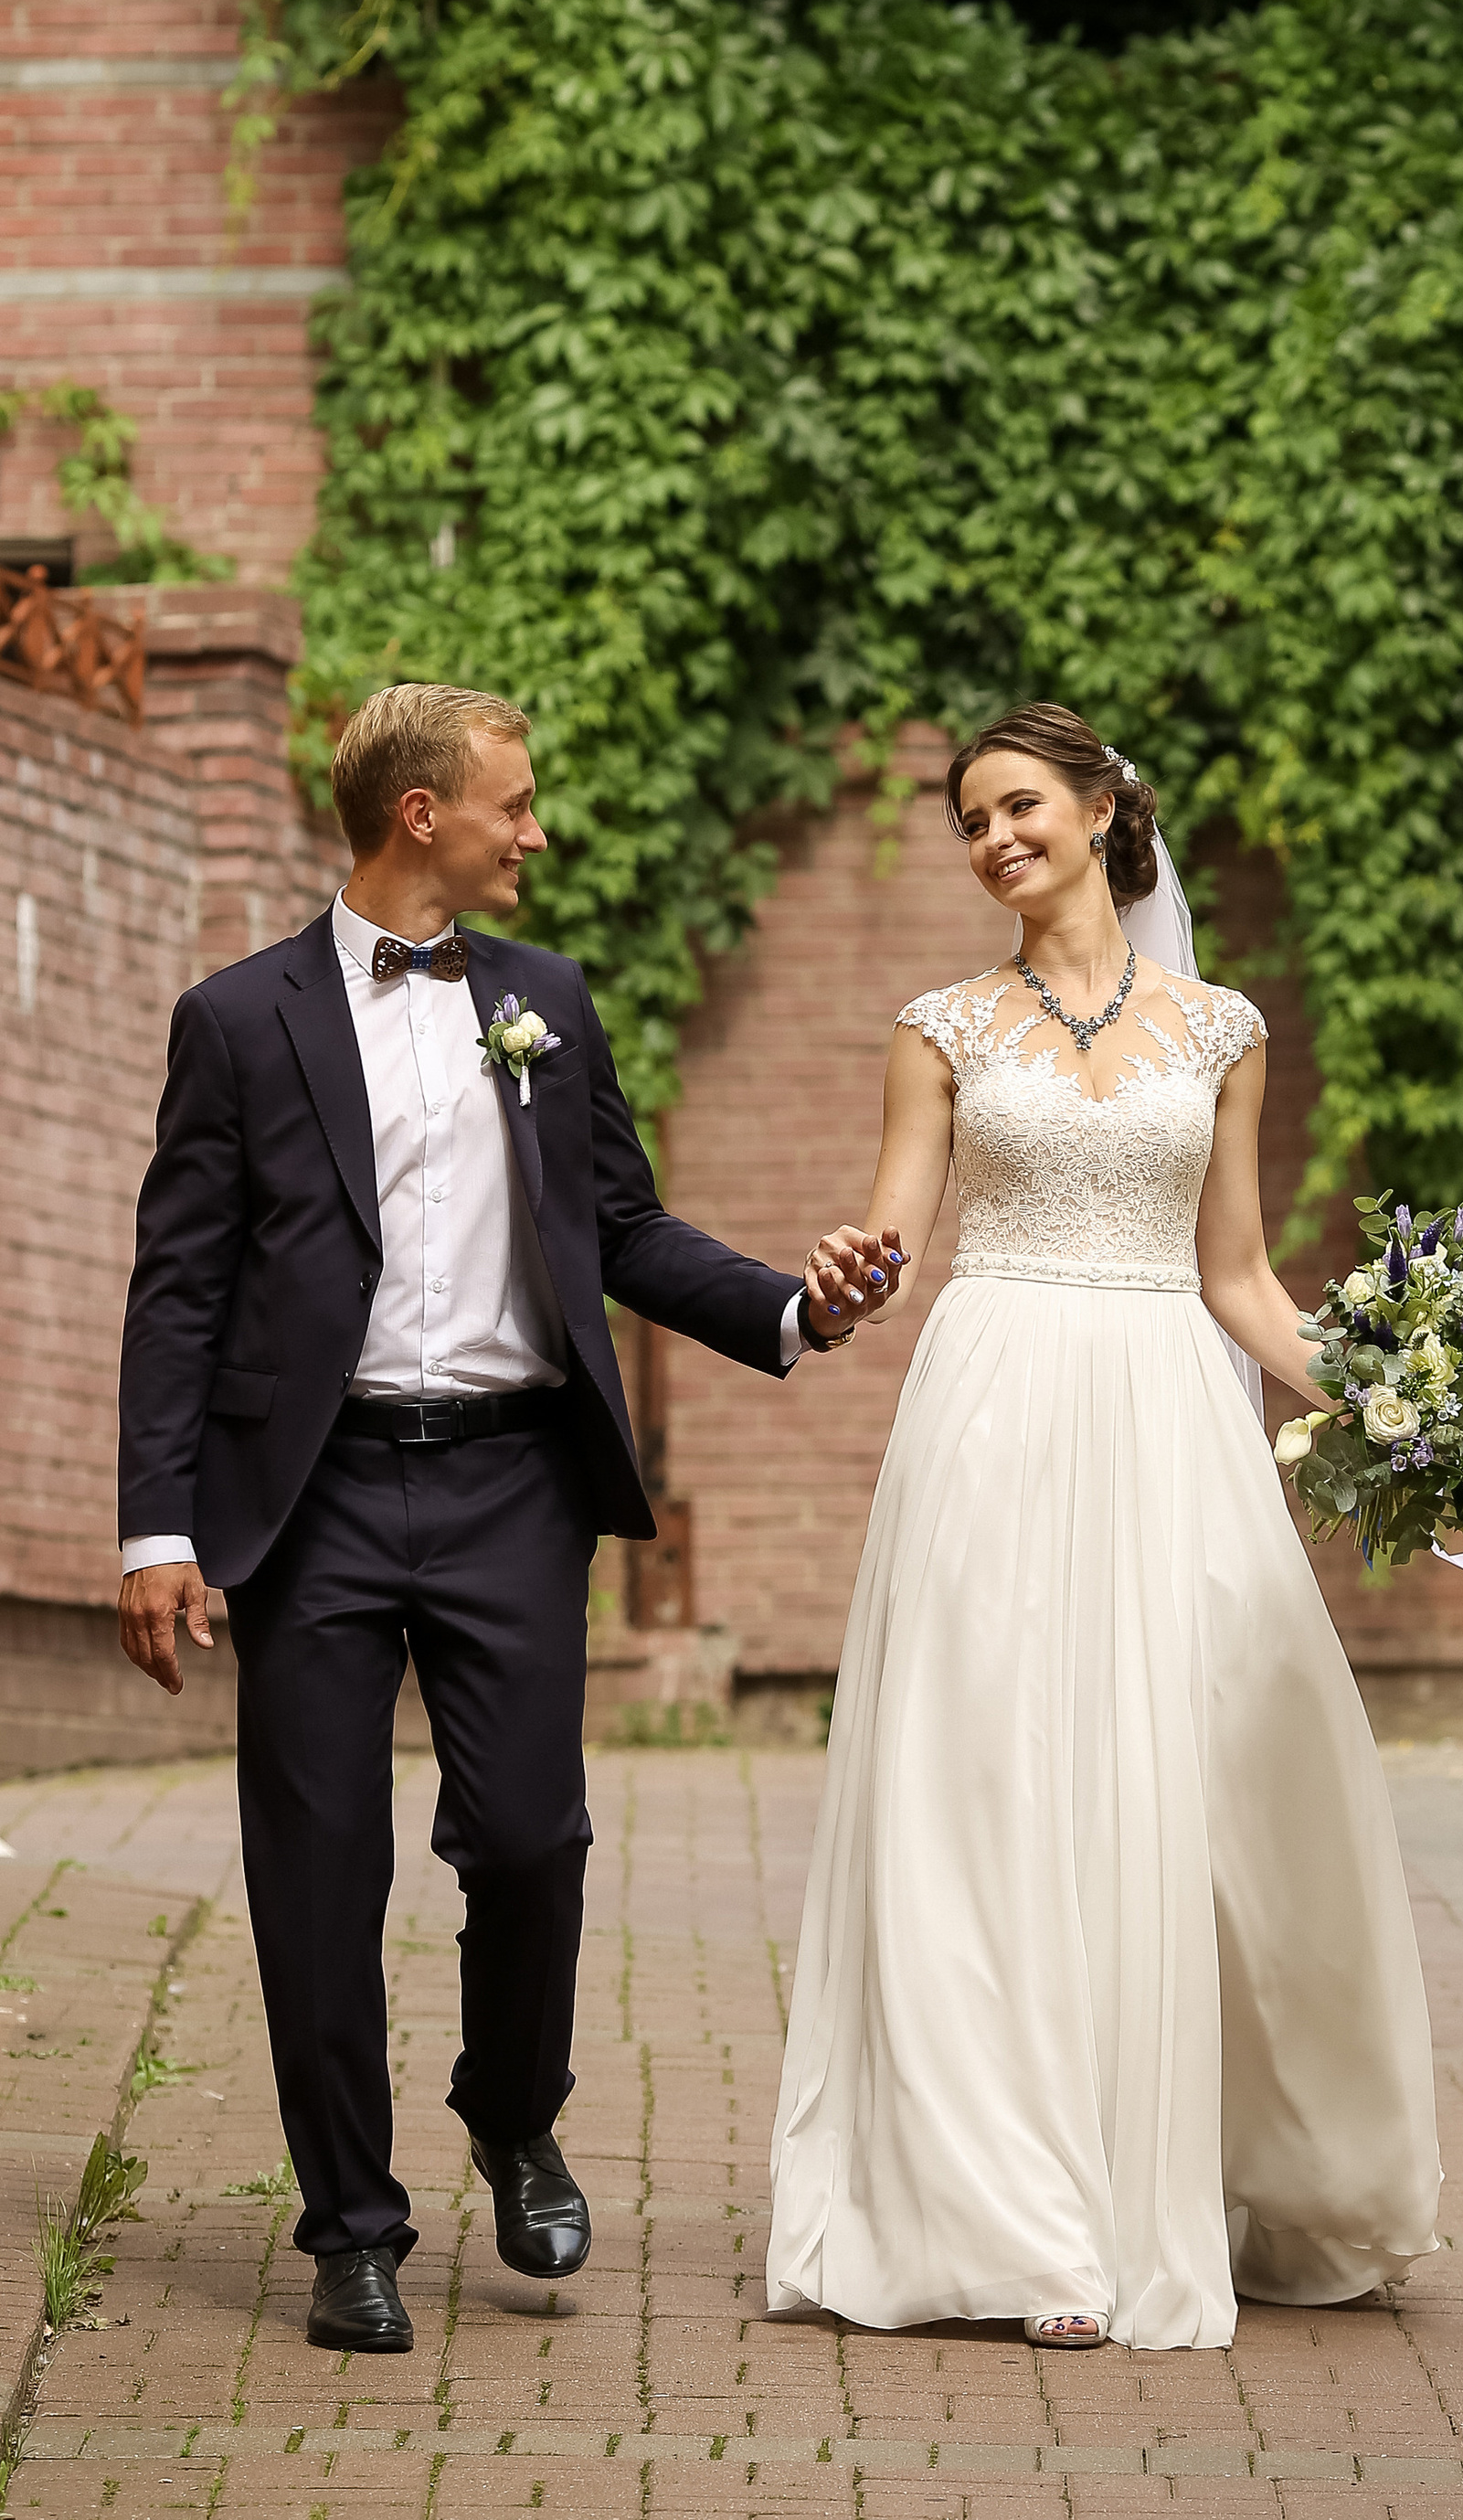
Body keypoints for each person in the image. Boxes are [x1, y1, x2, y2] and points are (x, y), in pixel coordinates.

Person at [116, 683, 897, 2359]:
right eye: (514, 804)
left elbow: (617, 1221)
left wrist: (791, 1314)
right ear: (420, 815)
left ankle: (512, 2105)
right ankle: (352, 2228)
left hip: (508, 1482)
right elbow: (179, 1290)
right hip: (309, 1498)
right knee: (316, 1872)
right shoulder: (238, 1021)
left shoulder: (544, 1000)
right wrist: (155, 1532)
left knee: (534, 1839)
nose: (535, 831)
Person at [764, 703, 1440, 2352]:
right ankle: (1017, 2216)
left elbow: (1241, 1277)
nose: (996, 839)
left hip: (1164, 1407)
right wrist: (846, 1277)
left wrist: (1399, 1398)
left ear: (1099, 809)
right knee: (990, 1781)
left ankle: (1177, 2167)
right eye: (970, 819)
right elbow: (896, 1229)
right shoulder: (938, 1029)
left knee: (1176, 1781)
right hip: (992, 1400)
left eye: (1020, 807)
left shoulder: (1222, 1030)